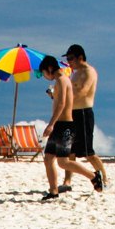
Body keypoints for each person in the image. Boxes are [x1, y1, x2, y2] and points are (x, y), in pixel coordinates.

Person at [37, 54, 97, 201]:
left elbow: (62, 104)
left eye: (43, 73)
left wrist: (51, 124)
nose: (44, 76)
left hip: (65, 126)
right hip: (60, 125)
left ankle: (94, 176)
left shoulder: (63, 80)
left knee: (63, 162)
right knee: (49, 158)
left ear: (49, 68)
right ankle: (53, 191)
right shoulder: (59, 81)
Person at [59, 44, 106, 193]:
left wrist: (66, 95)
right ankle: (67, 181)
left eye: (71, 58)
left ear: (80, 57)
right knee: (69, 151)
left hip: (84, 113)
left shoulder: (89, 71)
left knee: (88, 152)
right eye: (67, 59)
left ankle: (104, 179)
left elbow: (83, 91)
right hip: (71, 114)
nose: (69, 61)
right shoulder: (74, 73)